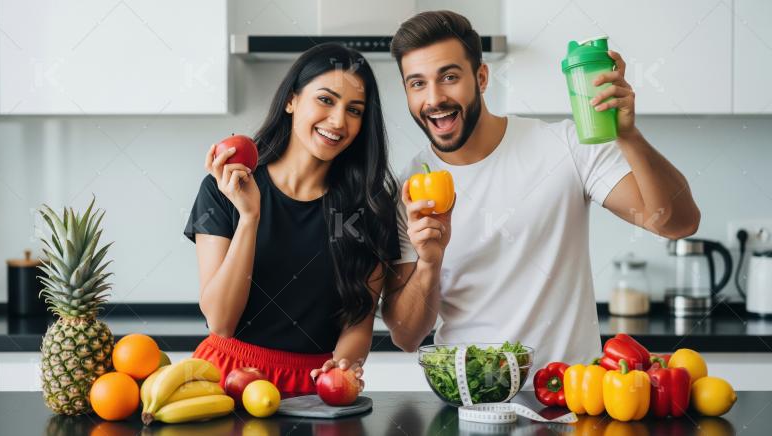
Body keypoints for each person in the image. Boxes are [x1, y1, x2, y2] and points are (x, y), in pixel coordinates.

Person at [381, 11, 700, 372]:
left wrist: (629, 136)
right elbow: (406, 337)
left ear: (481, 77)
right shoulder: (409, 190)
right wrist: (429, 263)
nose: (434, 98)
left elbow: (678, 223)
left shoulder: (565, 145)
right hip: (470, 399)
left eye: (449, 77)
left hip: (573, 397)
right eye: (417, 84)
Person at [183, 43, 402, 396]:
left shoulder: (370, 208)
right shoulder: (226, 188)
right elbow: (221, 321)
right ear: (291, 100)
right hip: (225, 380)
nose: (338, 121)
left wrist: (344, 364)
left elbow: (358, 325)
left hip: (313, 388)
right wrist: (250, 216)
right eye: (326, 100)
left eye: (354, 110)